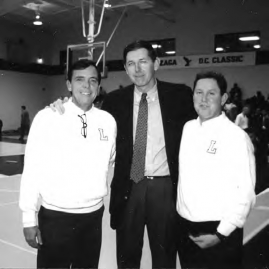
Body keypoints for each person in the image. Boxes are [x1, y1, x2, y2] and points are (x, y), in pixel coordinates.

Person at [50, 40, 196, 269]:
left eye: (143, 62)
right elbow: (88, 119)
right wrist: (63, 107)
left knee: (165, 255)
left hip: (165, 188)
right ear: (125, 69)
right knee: (127, 257)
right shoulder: (114, 101)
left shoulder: (180, 96)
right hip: (129, 188)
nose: (137, 69)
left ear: (156, 63)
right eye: (130, 64)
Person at [19, 60, 117, 269]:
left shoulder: (108, 121)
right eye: (79, 80)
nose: (87, 86)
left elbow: (111, 157)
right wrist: (29, 218)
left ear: (98, 87)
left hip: (92, 217)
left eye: (92, 81)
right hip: (56, 217)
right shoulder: (48, 117)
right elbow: (32, 170)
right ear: (69, 85)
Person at [176, 71, 256, 269]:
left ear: (224, 98)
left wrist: (221, 233)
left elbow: (245, 192)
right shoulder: (188, 128)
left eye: (211, 93)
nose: (203, 99)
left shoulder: (235, 137)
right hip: (186, 227)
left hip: (218, 231)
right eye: (199, 92)